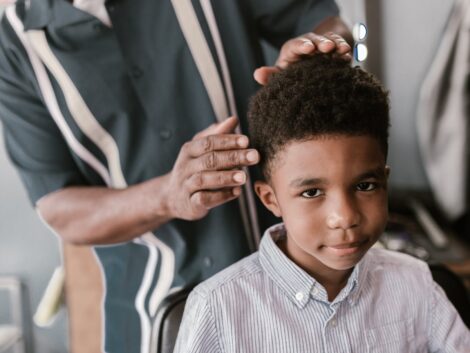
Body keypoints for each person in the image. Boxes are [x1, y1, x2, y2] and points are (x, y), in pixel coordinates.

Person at [0, 0, 353, 352]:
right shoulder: (14, 44)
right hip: (150, 321)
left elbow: (325, 23)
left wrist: (318, 58)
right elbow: (58, 207)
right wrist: (167, 195)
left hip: (299, 291)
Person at [173, 55, 470, 353]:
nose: (345, 217)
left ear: (385, 182)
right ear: (270, 199)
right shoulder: (218, 308)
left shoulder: (414, 284)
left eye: (365, 186)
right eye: (312, 192)